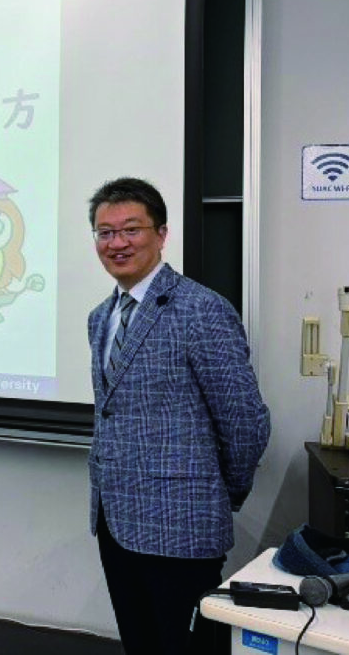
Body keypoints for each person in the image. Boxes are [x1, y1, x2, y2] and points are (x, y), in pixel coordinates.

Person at [86, 177, 270, 655]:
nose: (117, 243)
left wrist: (220, 493)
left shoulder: (201, 310)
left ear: (162, 234)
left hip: (182, 526)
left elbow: (245, 421)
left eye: (131, 229)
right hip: (115, 521)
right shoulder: (100, 317)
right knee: (139, 644)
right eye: (105, 233)